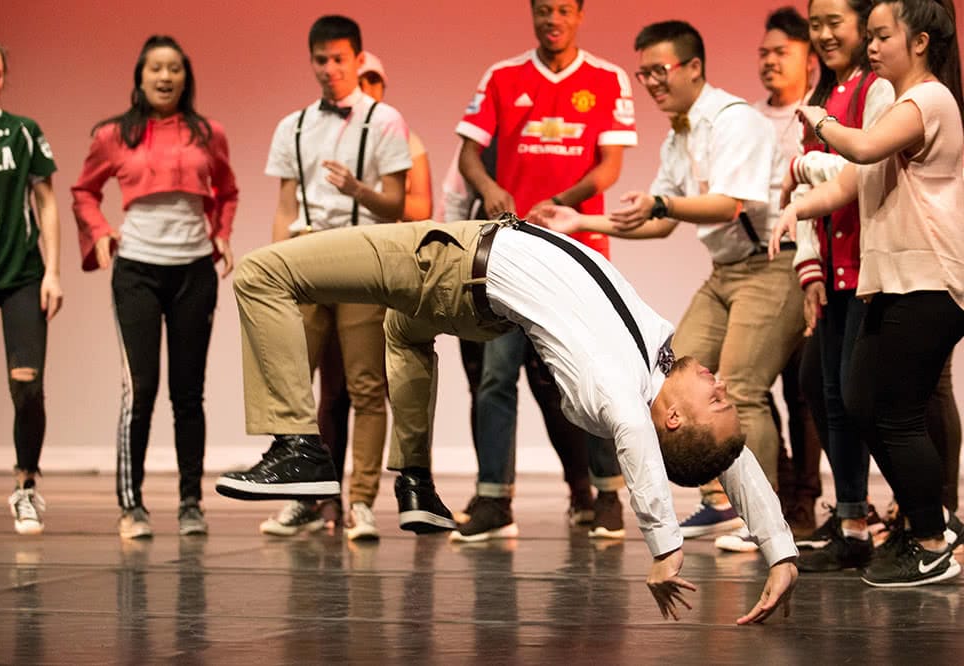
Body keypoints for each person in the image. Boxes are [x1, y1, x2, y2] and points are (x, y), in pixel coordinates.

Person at [215, 214, 799, 622]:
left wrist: (665, 546)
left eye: (716, 398)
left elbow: (632, 433)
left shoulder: (616, 390)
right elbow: (733, 456)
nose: (720, 384)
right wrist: (780, 551)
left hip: (450, 260)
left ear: (670, 420)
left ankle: (297, 445)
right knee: (402, 331)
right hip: (473, 294)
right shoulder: (656, 367)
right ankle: (416, 482)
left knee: (265, 272)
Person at [536, 20, 806, 548]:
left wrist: (662, 203)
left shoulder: (735, 121)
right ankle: (718, 502)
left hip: (773, 264)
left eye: (661, 71)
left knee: (742, 390)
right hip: (726, 271)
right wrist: (580, 222)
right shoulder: (680, 134)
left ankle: (764, 520)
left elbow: (731, 203)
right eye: (645, 74)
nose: (653, 83)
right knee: (669, 379)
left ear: (694, 67)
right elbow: (658, 222)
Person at [771, 0, 963, 587]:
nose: (872, 47)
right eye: (871, 37)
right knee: (857, 402)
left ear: (922, 41)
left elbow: (856, 149)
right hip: (891, 282)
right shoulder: (895, 111)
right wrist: (796, 209)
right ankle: (927, 527)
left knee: (895, 412)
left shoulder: (929, 100)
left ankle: (933, 536)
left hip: (929, 280)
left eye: (883, 36)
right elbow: (850, 182)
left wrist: (816, 117)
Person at [453, 0, 637, 541]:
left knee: (590, 375)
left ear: (579, 15)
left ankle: (607, 495)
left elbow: (609, 165)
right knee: (494, 376)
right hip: (509, 251)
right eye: (542, 9)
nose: (552, 19)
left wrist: (561, 200)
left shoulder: (606, 79)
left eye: (562, 9)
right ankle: (494, 500)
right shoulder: (503, 76)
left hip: (578, 249)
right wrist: (489, 190)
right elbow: (469, 154)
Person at [71, 35, 239, 539]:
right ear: (139, 78)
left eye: (174, 69)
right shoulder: (113, 135)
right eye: (155, 69)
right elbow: (83, 191)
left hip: (193, 272)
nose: (165, 77)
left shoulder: (209, 133)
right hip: (138, 271)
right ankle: (132, 505)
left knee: (189, 394)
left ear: (186, 77)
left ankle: (191, 503)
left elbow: (227, 191)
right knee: (139, 390)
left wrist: (223, 236)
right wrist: (100, 234)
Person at [254, 16, 411, 541]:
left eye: (339, 59)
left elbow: (395, 205)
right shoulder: (293, 125)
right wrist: (278, 269)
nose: (330, 69)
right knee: (295, 385)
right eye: (321, 59)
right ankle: (306, 494)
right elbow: (284, 205)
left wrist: (358, 190)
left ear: (358, 60)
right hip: (305, 256)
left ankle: (361, 502)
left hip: (363, 256)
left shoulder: (385, 120)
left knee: (367, 386)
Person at [717, 6, 823, 552]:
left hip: (807, 263)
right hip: (754, 261)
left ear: (809, 57)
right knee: (750, 386)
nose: (769, 62)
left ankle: (804, 498)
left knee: (803, 388)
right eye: (763, 53)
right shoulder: (748, 119)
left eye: (781, 52)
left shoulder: (820, 114)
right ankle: (777, 487)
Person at [0, 31, 58, 547]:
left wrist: (55, 271)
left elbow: (46, 202)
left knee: (27, 385)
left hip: (22, 275)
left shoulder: (23, 133)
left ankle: (26, 483)